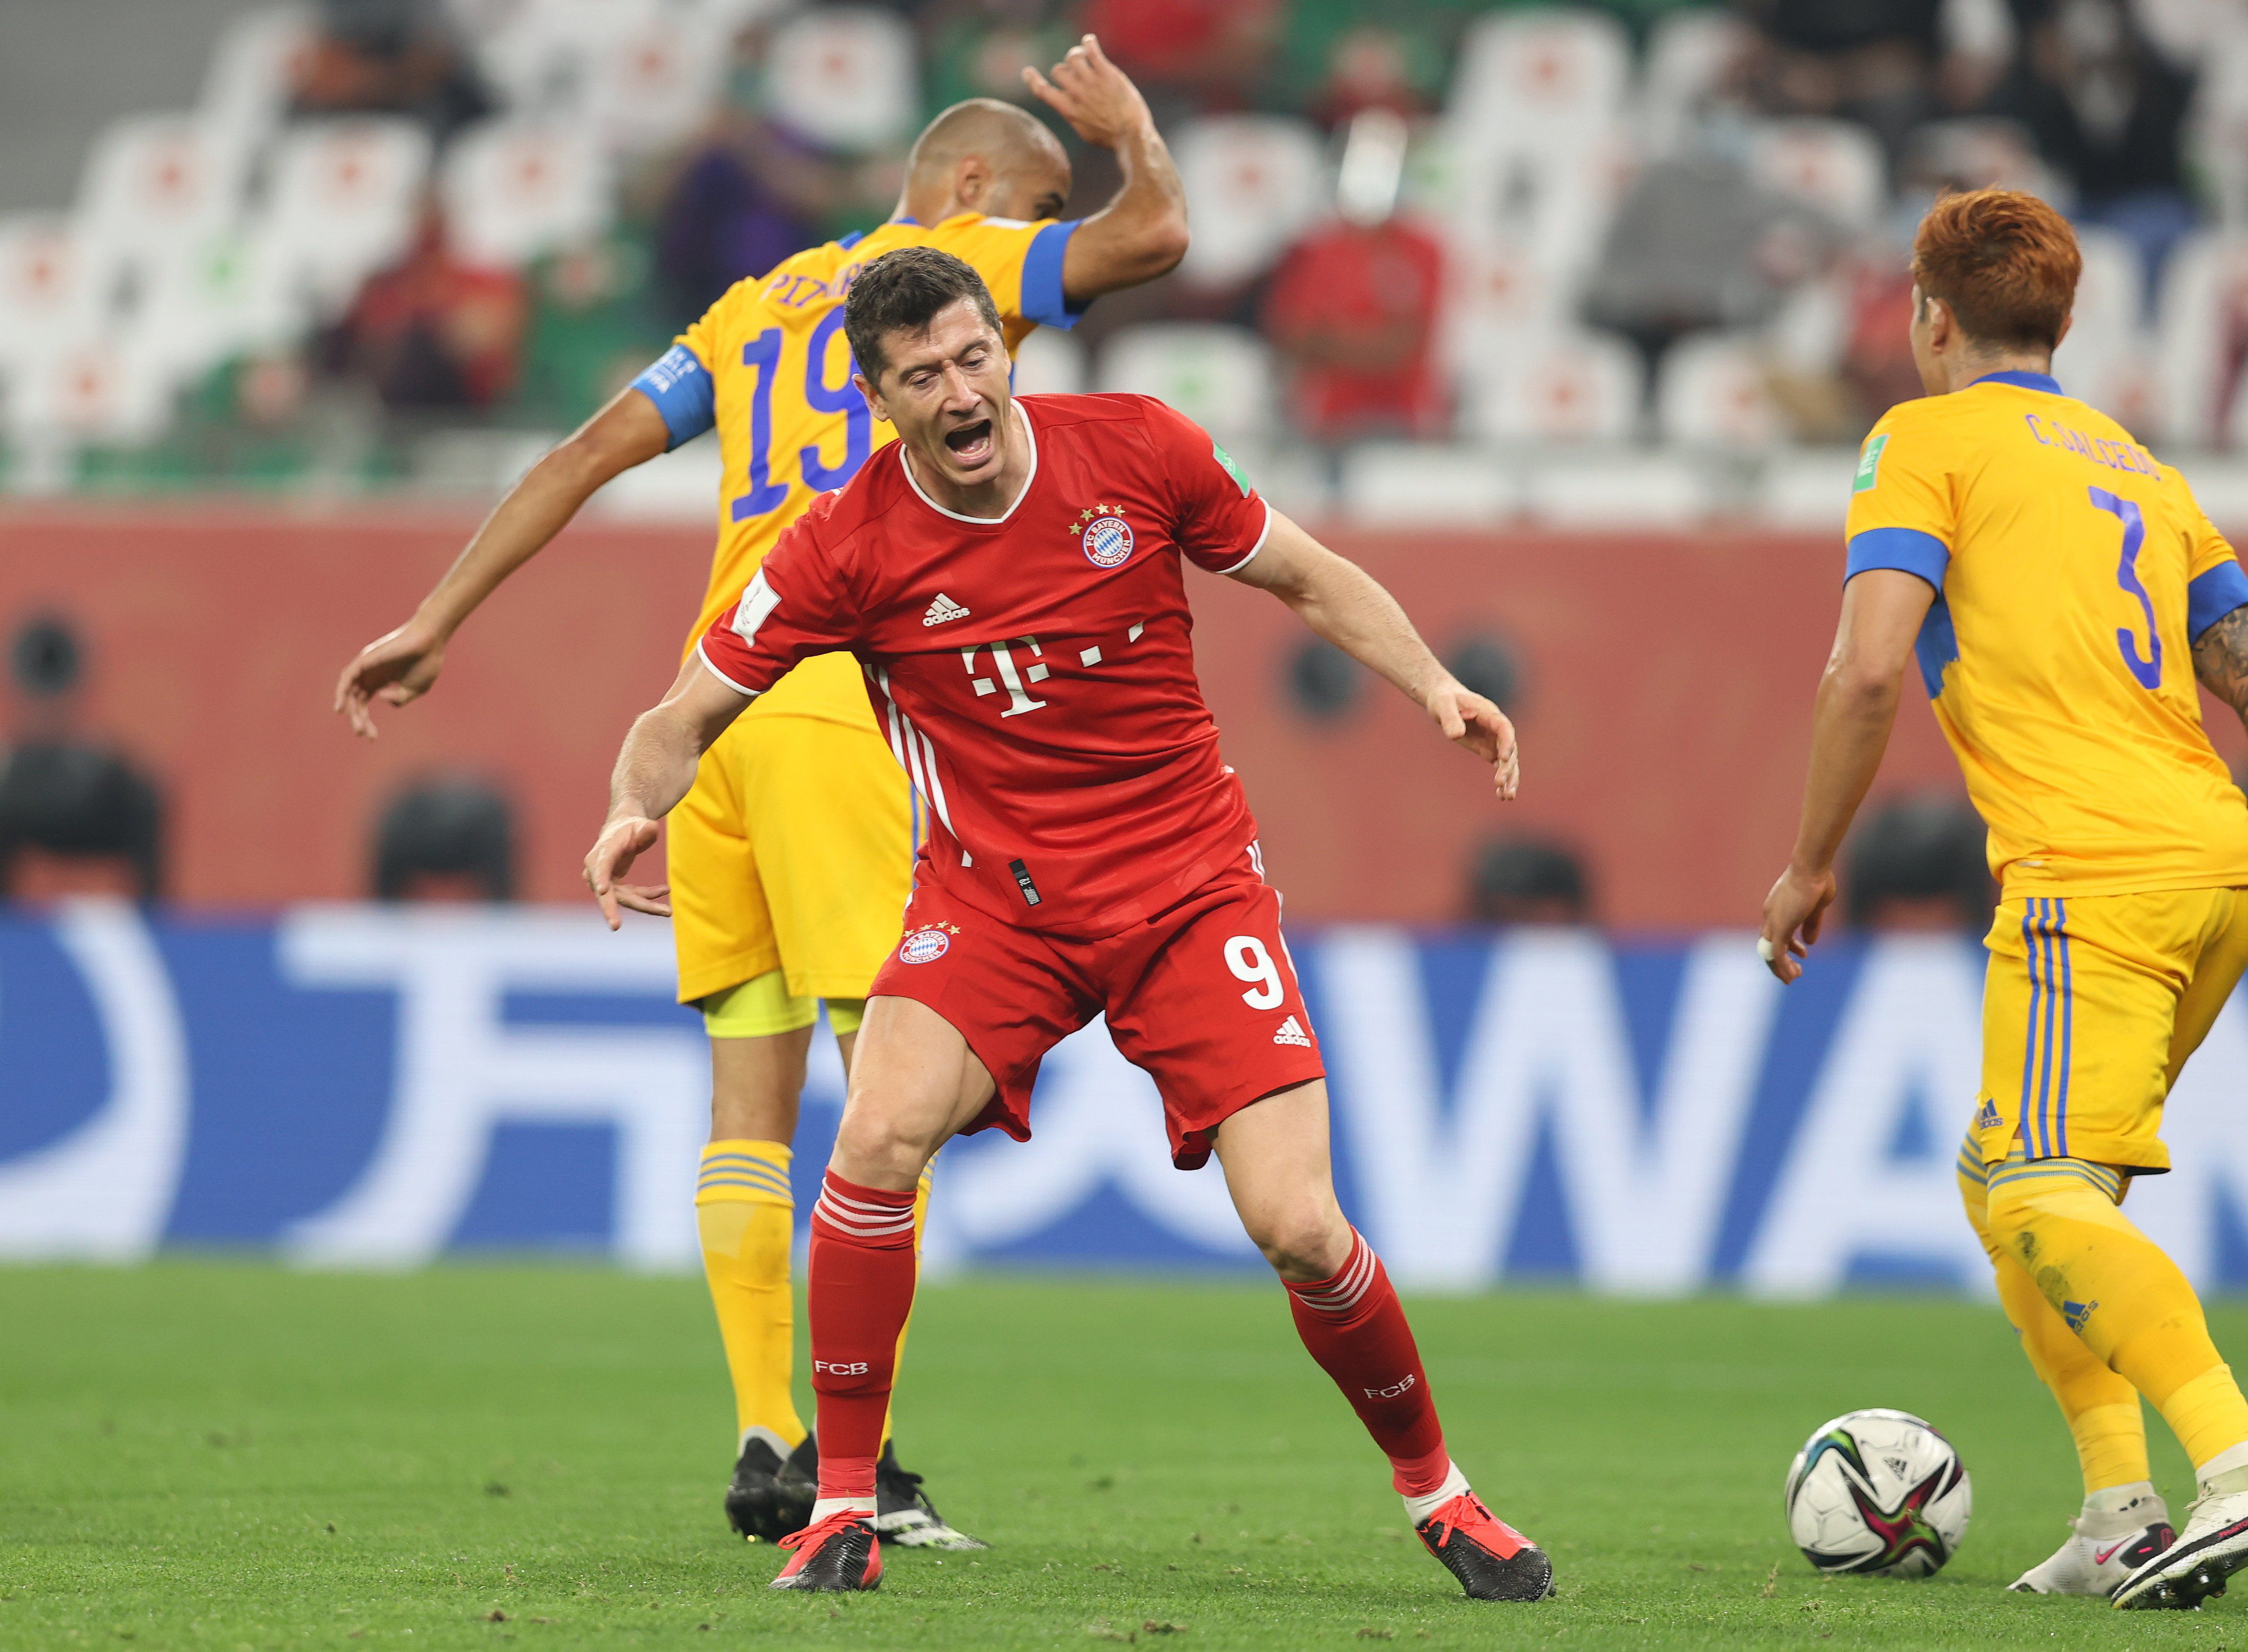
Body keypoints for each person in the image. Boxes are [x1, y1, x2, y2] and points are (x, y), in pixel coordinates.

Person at [582, 246, 1551, 1602]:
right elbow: (680, 717)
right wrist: (635, 810)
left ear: (1009, 354)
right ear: (879, 400)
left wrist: (1434, 686)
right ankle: (844, 1509)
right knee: (874, 1137)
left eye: (975, 357)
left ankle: (1443, 1499)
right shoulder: (842, 541)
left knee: (1301, 1227)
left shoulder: (1139, 450)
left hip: (1188, 889)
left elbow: (1308, 576)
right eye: (922, 376)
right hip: (994, 905)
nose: (960, 391)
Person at [330, 39, 1190, 1552]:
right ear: (978, 186)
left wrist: (436, 617)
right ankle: (868, 1475)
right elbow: (1152, 241)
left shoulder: (759, 303)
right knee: (896, 1096)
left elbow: (589, 449)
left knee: (750, 1089)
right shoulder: (963, 260)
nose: (1042, 276)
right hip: (839, 691)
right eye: (1035, 202)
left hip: (709, 707)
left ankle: (764, 1433)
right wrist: (1122, 144)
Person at [1758, 188, 2248, 1611]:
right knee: (2010, 1175)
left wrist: (1807, 860)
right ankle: (2113, 1510)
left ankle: (2238, 1466)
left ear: (1926, 314)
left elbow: (1866, 668)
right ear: (2062, 321)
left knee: (2029, 1186)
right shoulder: (2132, 461)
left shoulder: (1919, 438)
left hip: (2088, 874)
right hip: (2216, 872)